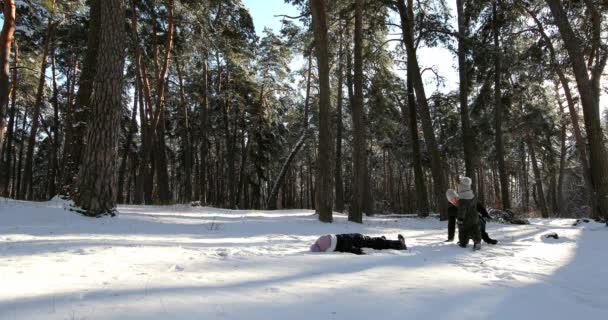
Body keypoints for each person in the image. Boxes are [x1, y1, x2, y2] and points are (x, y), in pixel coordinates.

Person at [452, 177, 483, 250]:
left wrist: (460, 219)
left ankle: (463, 243)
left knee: (463, 230)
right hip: (475, 216)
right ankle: (477, 242)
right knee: (475, 229)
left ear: (462, 187)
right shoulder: (473, 195)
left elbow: (462, 210)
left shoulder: (462, 199)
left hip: (466, 218)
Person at [310, 233, 407, 255]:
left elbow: (347, 247)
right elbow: (349, 248)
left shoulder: (337, 245)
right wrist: (357, 251)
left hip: (356, 239)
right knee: (373, 242)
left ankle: (382, 240)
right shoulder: (336, 240)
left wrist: (355, 250)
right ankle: (399, 244)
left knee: (372, 241)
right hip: (355, 238)